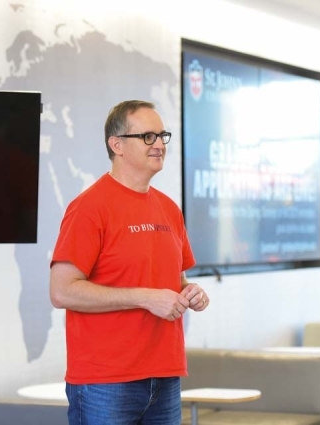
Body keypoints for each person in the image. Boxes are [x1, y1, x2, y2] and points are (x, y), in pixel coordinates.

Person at [49, 100, 209, 425]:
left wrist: (191, 292)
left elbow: (176, 280)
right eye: (148, 136)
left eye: (162, 135)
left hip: (165, 375)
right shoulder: (89, 208)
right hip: (105, 382)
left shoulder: (169, 209)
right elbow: (62, 291)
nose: (160, 144)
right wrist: (144, 297)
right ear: (117, 144)